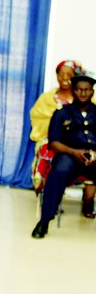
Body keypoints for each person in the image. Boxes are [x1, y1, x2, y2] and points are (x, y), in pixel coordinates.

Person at [32, 70, 96, 239]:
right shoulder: (61, 113)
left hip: (95, 158)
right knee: (57, 172)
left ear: (92, 92)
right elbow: (53, 143)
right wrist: (74, 152)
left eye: (87, 89)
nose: (83, 93)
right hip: (70, 156)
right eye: (79, 89)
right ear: (73, 91)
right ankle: (44, 222)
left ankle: (89, 204)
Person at [29, 60, 83, 193]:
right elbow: (37, 118)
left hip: (79, 142)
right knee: (47, 150)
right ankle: (49, 194)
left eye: (69, 75)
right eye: (61, 74)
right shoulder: (47, 98)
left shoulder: (84, 97)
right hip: (52, 139)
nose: (64, 78)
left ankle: (87, 201)